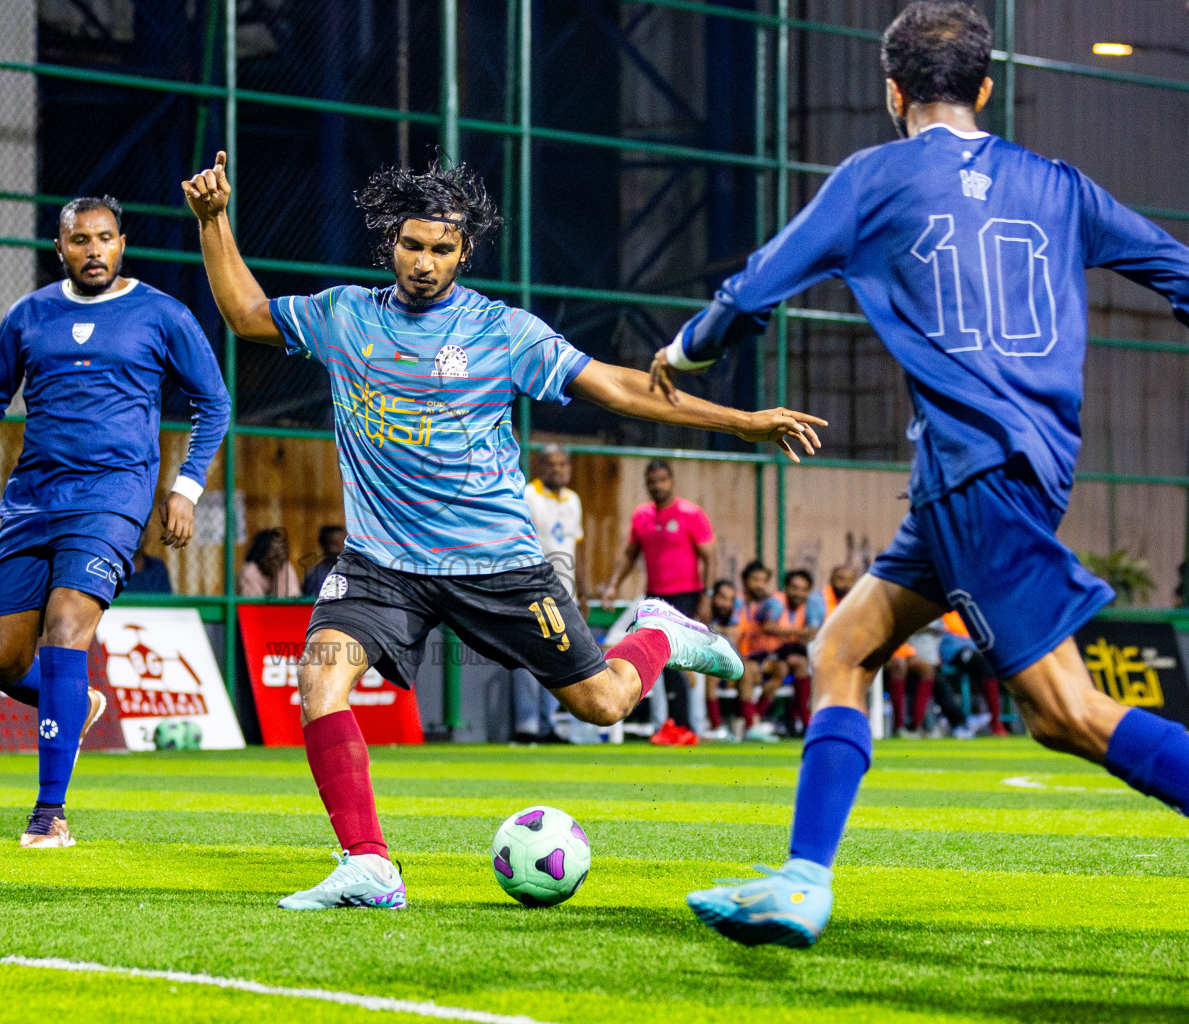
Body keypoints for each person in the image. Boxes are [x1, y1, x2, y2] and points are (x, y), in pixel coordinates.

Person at [665, 2, 1189, 948]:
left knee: (1066, 715)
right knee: (843, 648)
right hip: (1020, 471)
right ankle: (802, 880)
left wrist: (686, 351)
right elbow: (1177, 272)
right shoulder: (1059, 183)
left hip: (971, 473)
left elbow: (754, 289)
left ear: (892, 89)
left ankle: (801, 883)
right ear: (987, 88)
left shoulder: (874, 178)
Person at [184, 151, 823, 910]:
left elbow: (616, 387)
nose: (425, 263)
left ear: (466, 251)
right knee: (320, 677)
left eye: (442, 249)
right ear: (390, 241)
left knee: (603, 704)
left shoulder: (501, 330)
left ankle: (656, 632)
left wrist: (740, 421)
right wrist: (214, 221)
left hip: (498, 567)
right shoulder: (343, 316)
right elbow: (246, 314)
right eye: (412, 245)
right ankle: (369, 865)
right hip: (382, 564)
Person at [0, 195, 229, 849]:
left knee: (65, 629)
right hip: (32, 499)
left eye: (105, 238)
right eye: (79, 240)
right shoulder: (29, 315)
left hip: (113, 498)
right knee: (3, 661)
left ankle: (49, 812)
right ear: (59, 247)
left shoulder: (161, 314)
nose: (93, 250)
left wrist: (184, 487)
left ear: (122, 243)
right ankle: (78, 704)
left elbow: (214, 401)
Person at [602, 460, 715, 745]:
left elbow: (709, 557)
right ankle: (675, 726)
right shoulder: (642, 516)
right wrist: (614, 584)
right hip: (655, 598)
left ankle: (684, 726)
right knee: (663, 661)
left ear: (672, 481)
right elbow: (630, 554)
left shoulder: (691, 514)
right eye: (652, 481)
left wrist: (707, 597)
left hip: (686, 595)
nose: (658, 485)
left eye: (663, 480)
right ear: (647, 483)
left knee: (674, 659)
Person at [512, 446, 584, 743]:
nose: (558, 469)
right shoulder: (528, 495)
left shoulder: (573, 500)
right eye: (551, 464)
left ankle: (550, 724)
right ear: (541, 466)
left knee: (560, 660)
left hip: (566, 594)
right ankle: (526, 726)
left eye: (562, 464)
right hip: (532, 591)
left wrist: (584, 591)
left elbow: (577, 547)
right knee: (528, 660)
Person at [755, 569, 825, 735]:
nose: (798, 593)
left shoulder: (808, 606)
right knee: (792, 666)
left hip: (782, 655)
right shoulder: (776, 602)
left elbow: (812, 633)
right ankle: (756, 718)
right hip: (759, 653)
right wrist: (801, 633)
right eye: (794, 588)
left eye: (803, 589)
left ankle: (799, 720)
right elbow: (768, 627)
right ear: (785, 588)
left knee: (799, 665)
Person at [732, 561, 786, 741]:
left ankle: (754, 718)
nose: (759, 585)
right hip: (735, 657)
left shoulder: (769, 604)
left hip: (759, 658)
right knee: (748, 671)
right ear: (745, 580)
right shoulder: (736, 601)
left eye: (764, 581)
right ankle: (751, 725)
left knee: (781, 669)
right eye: (755, 579)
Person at [700, 579, 742, 740]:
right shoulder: (702, 612)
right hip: (700, 664)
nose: (726, 604)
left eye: (730, 600)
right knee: (712, 675)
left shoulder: (732, 616)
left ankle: (750, 725)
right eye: (722, 598)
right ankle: (715, 726)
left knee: (748, 671)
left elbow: (735, 637)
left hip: (724, 663)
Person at [240, 527, 300, 597]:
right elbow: (255, 605)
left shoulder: (285, 567)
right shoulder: (250, 571)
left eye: (282, 551)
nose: (280, 557)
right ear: (261, 553)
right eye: (274, 551)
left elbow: (292, 601)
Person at [301, 525, 348, 597]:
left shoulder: (356, 570)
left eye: (344, 542)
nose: (342, 547)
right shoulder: (315, 574)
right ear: (325, 545)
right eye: (334, 543)